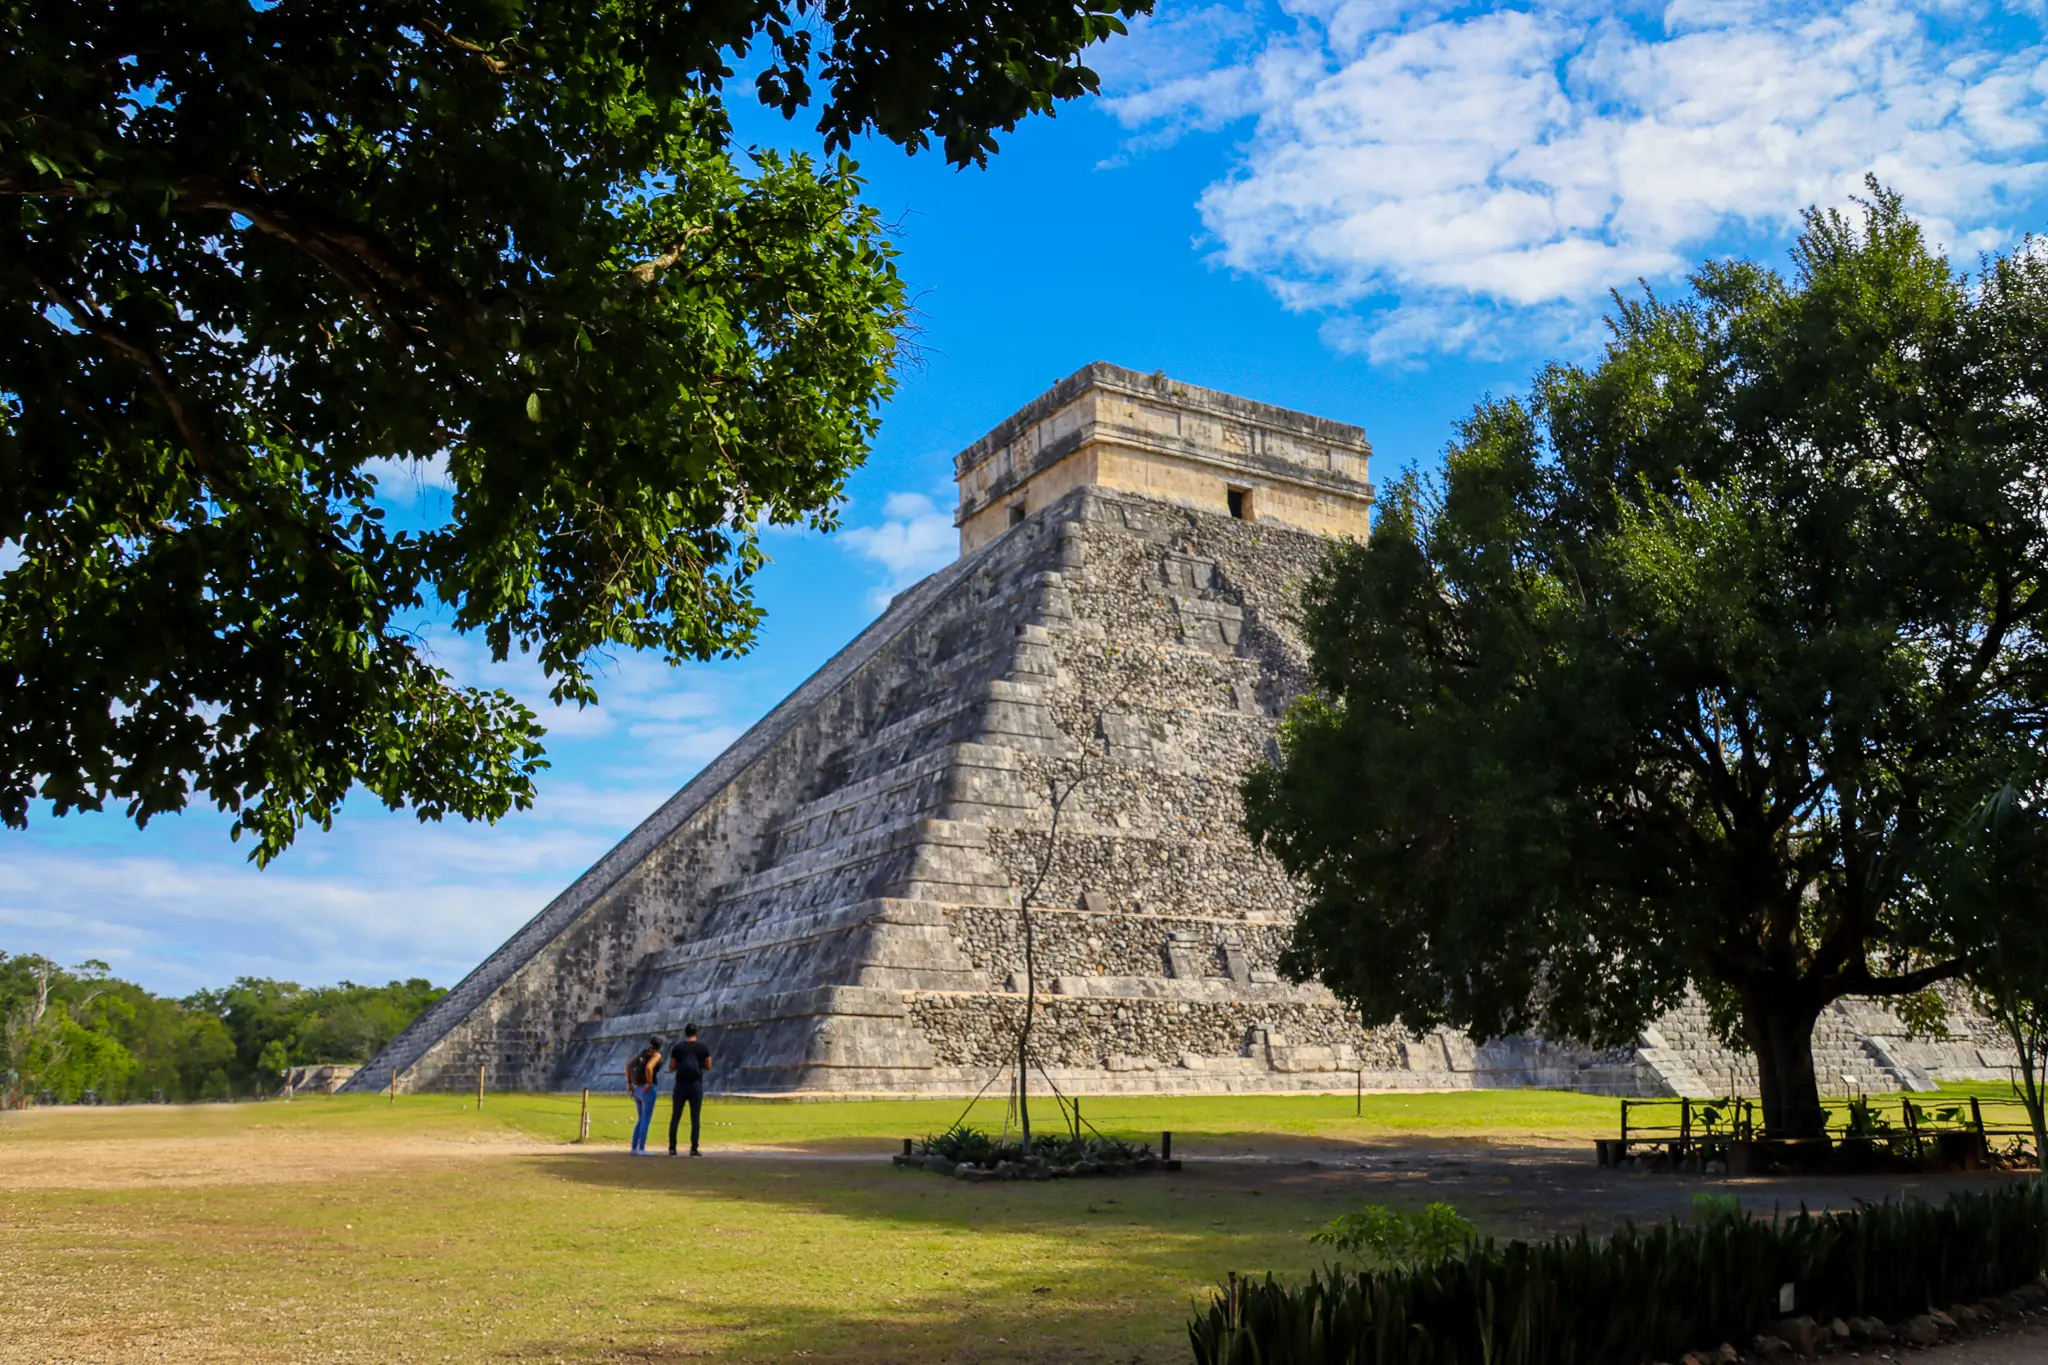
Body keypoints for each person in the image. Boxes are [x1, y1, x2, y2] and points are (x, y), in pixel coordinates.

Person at [666, 1023, 712, 1157]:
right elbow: (708, 1066)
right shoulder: (703, 1048)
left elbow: (671, 1067)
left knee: (676, 1117)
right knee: (695, 1118)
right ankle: (693, 1149)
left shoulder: (678, 1048)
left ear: (685, 1033)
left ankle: (672, 1148)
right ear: (696, 1033)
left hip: (680, 1085)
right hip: (695, 1085)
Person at [626, 1037, 663, 1155]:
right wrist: (649, 1082)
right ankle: (641, 1148)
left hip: (637, 1089)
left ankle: (634, 1148)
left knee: (640, 1119)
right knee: (645, 1120)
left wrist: (629, 1083)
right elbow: (649, 1067)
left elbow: (628, 1065)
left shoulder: (643, 1053)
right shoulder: (656, 1055)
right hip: (647, 1089)